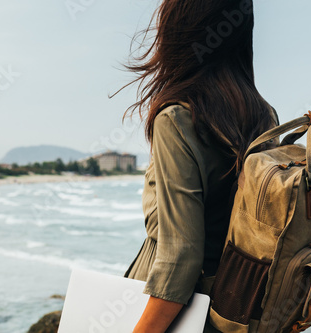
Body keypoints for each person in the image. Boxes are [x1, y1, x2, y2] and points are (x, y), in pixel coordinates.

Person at [117, 0, 280, 332]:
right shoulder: (265, 115)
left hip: (179, 318)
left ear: (178, 29)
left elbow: (180, 258)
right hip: (236, 309)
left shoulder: (177, 118)